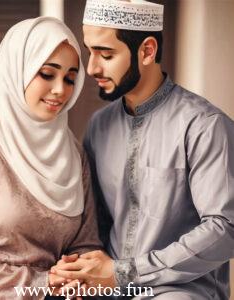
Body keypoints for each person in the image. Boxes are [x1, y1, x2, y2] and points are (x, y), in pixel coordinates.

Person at [51, 0, 234, 299]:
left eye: (106, 54)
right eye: (90, 51)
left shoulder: (204, 126)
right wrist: (75, 267)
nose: (92, 67)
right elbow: (95, 222)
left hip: (181, 290)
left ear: (147, 51)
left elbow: (225, 228)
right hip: (108, 288)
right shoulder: (99, 126)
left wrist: (126, 273)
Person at [0, 16, 102, 299]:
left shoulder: (74, 154)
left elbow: (85, 243)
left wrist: (74, 278)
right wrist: (41, 281)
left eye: (70, 78)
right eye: (47, 74)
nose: (61, 90)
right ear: (17, 71)